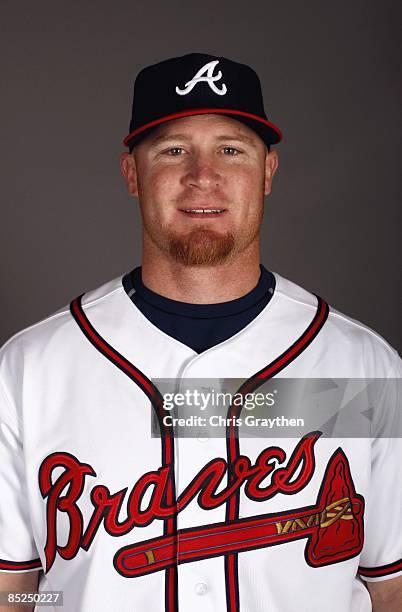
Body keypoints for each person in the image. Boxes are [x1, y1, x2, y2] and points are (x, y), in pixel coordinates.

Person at [0, 53, 400, 612]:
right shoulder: (29, 369)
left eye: (231, 149)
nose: (202, 175)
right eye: (173, 150)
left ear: (268, 172)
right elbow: (13, 594)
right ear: (132, 174)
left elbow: (390, 586)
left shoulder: (361, 368)